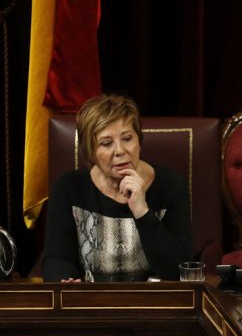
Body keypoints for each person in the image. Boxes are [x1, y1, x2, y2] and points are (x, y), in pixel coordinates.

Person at [43, 94, 192, 282]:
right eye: (106, 143)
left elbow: (178, 270)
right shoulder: (69, 188)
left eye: (128, 138)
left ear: (139, 140)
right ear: (90, 152)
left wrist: (142, 211)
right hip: (89, 303)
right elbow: (56, 258)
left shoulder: (171, 186)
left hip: (153, 304)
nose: (120, 151)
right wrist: (66, 281)